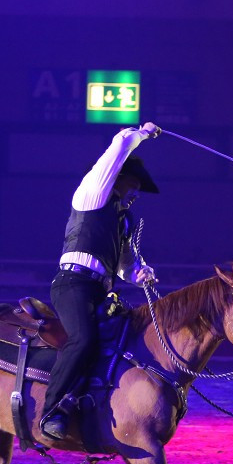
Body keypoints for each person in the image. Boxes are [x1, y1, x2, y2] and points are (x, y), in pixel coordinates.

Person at [39, 122, 162, 441]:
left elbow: (125, 267)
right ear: (118, 178)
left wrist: (140, 274)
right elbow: (120, 144)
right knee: (83, 338)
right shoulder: (92, 194)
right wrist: (142, 134)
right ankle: (51, 411)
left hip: (101, 291)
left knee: (120, 340)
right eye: (135, 185)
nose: (136, 193)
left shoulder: (122, 220)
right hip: (73, 285)